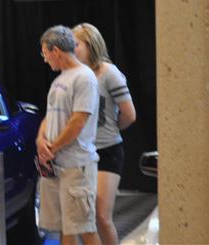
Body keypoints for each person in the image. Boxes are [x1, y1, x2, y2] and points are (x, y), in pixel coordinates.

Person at [36, 25, 101, 245]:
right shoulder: (59, 80)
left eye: (45, 53)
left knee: (84, 227)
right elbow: (50, 115)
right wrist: (40, 139)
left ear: (56, 50)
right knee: (66, 227)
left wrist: (52, 148)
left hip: (76, 165)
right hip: (56, 166)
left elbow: (78, 121)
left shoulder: (84, 78)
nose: (45, 59)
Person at [73, 22, 136, 245]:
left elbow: (129, 115)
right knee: (83, 218)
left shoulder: (109, 73)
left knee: (102, 216)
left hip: (108, 151)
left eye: (76, 44)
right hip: (82, 153)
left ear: (90, 45)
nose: (72, 49)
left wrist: (110, 129)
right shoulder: (75, 75)